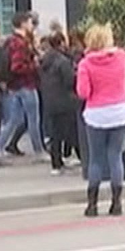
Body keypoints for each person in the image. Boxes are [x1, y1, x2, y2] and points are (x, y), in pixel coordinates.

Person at [75, 24, 125, 217]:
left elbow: (83, 93)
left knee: (96, 159)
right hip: (120, 110)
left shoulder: (85, 64)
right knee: (116, 156)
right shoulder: (122, 57)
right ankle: (117, 203)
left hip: (96, 114)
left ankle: (92, 205)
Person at [0, 12, 45, 162]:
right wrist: (34, 65)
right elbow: (17, 66)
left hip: (14, 85)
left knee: (13, 119)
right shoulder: (20, 43)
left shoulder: (10, 41)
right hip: (26, 84)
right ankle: (39, 151)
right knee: (33, 119)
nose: (31, 25)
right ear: (22, 24)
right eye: (29, 22)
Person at [38, 33, 78, 175]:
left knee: (55, 134)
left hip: (50, 100)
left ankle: (56, 163)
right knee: (71, 131)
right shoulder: (63, 61)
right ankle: (80, 157)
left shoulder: (45, 60)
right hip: (65, 100)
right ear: (61, 43)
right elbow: (70, 81)